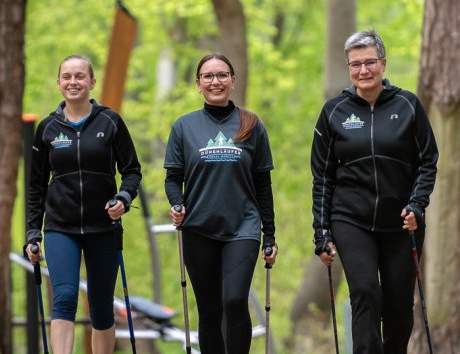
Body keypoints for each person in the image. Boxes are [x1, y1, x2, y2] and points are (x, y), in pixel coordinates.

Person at [311, 30, 439, 354]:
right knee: (366, 293)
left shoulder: (407, 105)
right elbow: (323, 177)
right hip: (350, 219)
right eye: (355, 65)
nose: (363, 71)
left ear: (383, 63)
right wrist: (321, 231)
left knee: (398, 307)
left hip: (401, 222)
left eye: (369, 62)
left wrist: (417, 205)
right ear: (348, 68)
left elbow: (428, 162)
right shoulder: (334, 112)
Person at [25, 54, 142, 354]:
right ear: (59, 83)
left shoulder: (110, 121)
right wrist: (32, 235)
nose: (73, 82)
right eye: (67, 76)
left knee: (102, 306)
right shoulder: (48, 128)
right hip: (60, 228)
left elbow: (132, 172)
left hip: (103, 226)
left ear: (92, 81)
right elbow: (36, 186)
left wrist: (124, 199)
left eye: (80, 76)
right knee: (63, 299)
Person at [163, 53, 278, 354]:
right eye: (208, 76)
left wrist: (270, 235)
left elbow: (263, 185)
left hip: (243, 226)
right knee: (210, 310)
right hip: (198, 228)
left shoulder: (251, 123)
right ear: (198, 84)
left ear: (233, 80)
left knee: (234, 300)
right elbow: (173, 178)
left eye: (222, 75)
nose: (216, 81)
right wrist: (177, 203)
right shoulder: (184, 127)